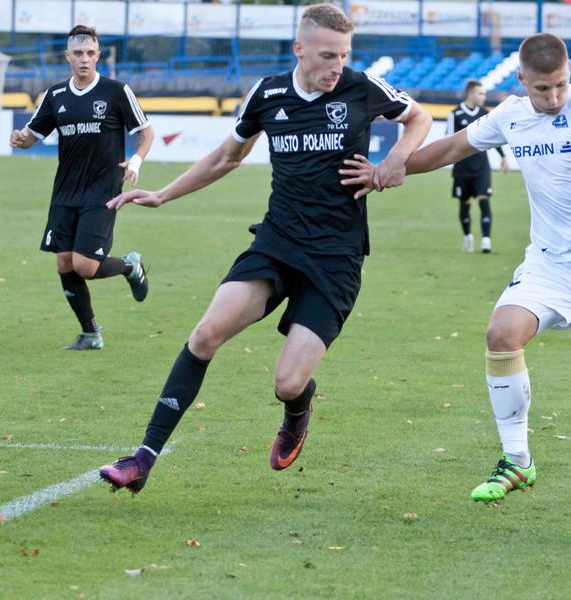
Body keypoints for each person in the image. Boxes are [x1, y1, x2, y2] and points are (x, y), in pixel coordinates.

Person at [342, 33, 571, 503]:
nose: (554, 97)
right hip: (550, 262)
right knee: (502, 334)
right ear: (522, 80)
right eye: (543, 89)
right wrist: (387, 169)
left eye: (560, 85)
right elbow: (450, 149)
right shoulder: (511, 115)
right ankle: (518, 461)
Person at [98, 4, 431, 494]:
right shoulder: (269, 92)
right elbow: (228, 157)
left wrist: (396, 159)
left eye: (343, 55)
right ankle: (142, 458)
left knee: (288, 383)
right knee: (207, 333)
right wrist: (165, 193)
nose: (336, 66)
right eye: (326, 56)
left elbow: (418, 118)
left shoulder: (362, 88)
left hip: (336, 258)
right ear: (299, 50)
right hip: (276, 242)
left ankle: (298, 411)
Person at [9, 25, 153, 350]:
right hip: (65, 191)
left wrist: (136, 162)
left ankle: (130, 266)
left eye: (90, 53)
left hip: (103, 191)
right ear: (68, 57)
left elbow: (146, 133)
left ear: (98, 56)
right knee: (64, 263)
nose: (84, 59)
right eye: (78, 53)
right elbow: (32, 135)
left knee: (85, 266)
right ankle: (90, 334)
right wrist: (21, 139)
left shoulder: (116, 91)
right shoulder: (55, 95)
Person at [446, 80, 509, 253]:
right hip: (462, 167)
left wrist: (503, 157)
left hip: (481, 166)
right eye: (481, 94)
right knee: (464, 204)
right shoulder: (456, 114)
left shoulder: (485, 114)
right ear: (470, 94)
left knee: (484, 199)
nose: (484, 97)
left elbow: (493, 138)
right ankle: (467, 236)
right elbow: (448, 140)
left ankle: (486, 240)